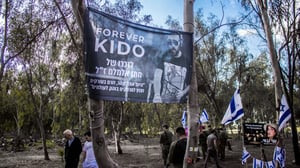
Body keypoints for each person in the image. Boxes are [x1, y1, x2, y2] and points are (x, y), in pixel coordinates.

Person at [153, 34, 191, 103]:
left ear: (180, 43)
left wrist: (183, 93)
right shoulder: (163, 57)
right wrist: (157, 95)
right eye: (169, 43)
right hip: (163, 100)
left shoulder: (186, 62)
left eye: (175, 42)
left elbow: (190, 84)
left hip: (178, 102)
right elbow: (157, 76)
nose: (172, 46)